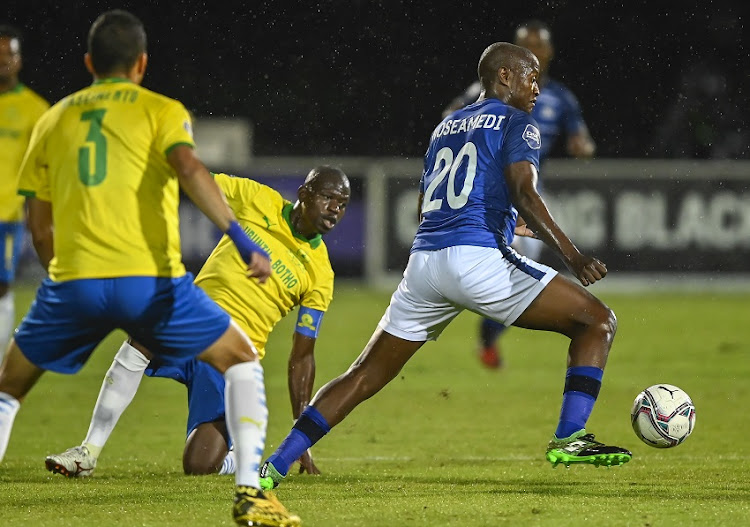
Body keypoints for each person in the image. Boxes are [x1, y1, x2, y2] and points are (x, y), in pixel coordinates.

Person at [258, 42, 631, 492]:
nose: (537, 87)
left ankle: (274, 466)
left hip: (425, 264)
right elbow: (526, 193)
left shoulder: (446, 127)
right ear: (505, 77)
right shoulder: (518, 122)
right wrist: (573, 255)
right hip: (474, 261)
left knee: (363, 375)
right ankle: (570, 436)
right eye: (530, 77)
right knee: (597, 322)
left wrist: (504, 230)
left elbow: (429, 207)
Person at [0, 10, 297, 527]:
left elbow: (39, 224)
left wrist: (59, 276)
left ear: (90, 62)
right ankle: (251, 494)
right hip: (151, 284)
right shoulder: (162, 110)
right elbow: (188, 169)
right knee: (242, 360)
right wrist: (242, 238)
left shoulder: (53, 118)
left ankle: (88, 449)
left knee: (8, 389)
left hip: (73, 281)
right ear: (141, 62)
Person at [45, 166, 350, 479]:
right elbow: (197, 180)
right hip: (193, 319)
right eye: (328, 198)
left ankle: (237, 458)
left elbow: (302, 355)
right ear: (304, 194)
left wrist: (300, 439)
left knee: (199, 467)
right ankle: (87, 453)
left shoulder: (321, 275)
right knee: (143, 336)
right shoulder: (258, 199)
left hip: (230, 359)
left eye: (342, 204)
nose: (335, 210)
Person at [443, 20, 596, 370]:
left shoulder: (560, 98)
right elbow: (451, 115)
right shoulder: (490, 92)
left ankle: (486, 332)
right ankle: (476, 306)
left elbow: (582, 140)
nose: (533, 51)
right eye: (525, 44)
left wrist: (582, 146)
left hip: (524, 194)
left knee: (516, 266)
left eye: (538, 45)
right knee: (509, 266)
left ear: (549, 52)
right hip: (487, 190)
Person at [0, 25, 49, 358]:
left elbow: (43, 169)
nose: (3, 60)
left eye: (9, 53)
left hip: (7, 214)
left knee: (2, 288)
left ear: (19, 60)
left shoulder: (36, 110)